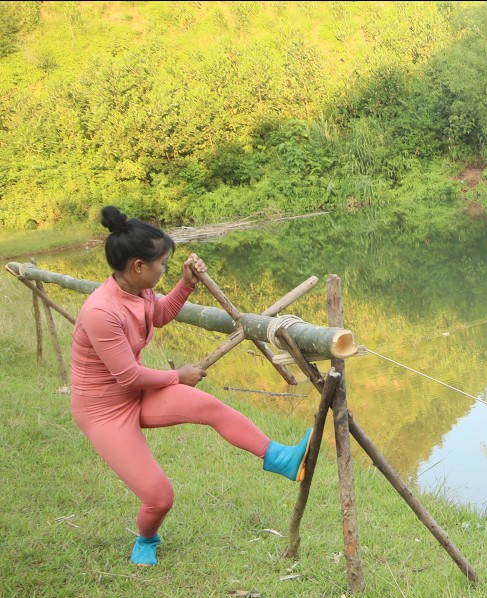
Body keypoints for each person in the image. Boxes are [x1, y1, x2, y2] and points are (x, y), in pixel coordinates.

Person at [70, 206, 312, 566]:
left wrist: (186, 282)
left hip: (135, 393)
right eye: (162, 264)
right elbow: (128, 376)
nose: (164, 269)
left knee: (208, 407)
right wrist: (177, 376)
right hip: (103, 410)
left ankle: (280, 459)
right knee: (159, 496)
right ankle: (146, 540)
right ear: (138, 266)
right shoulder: (101, 312)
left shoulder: (139, 292)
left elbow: (162, 315)